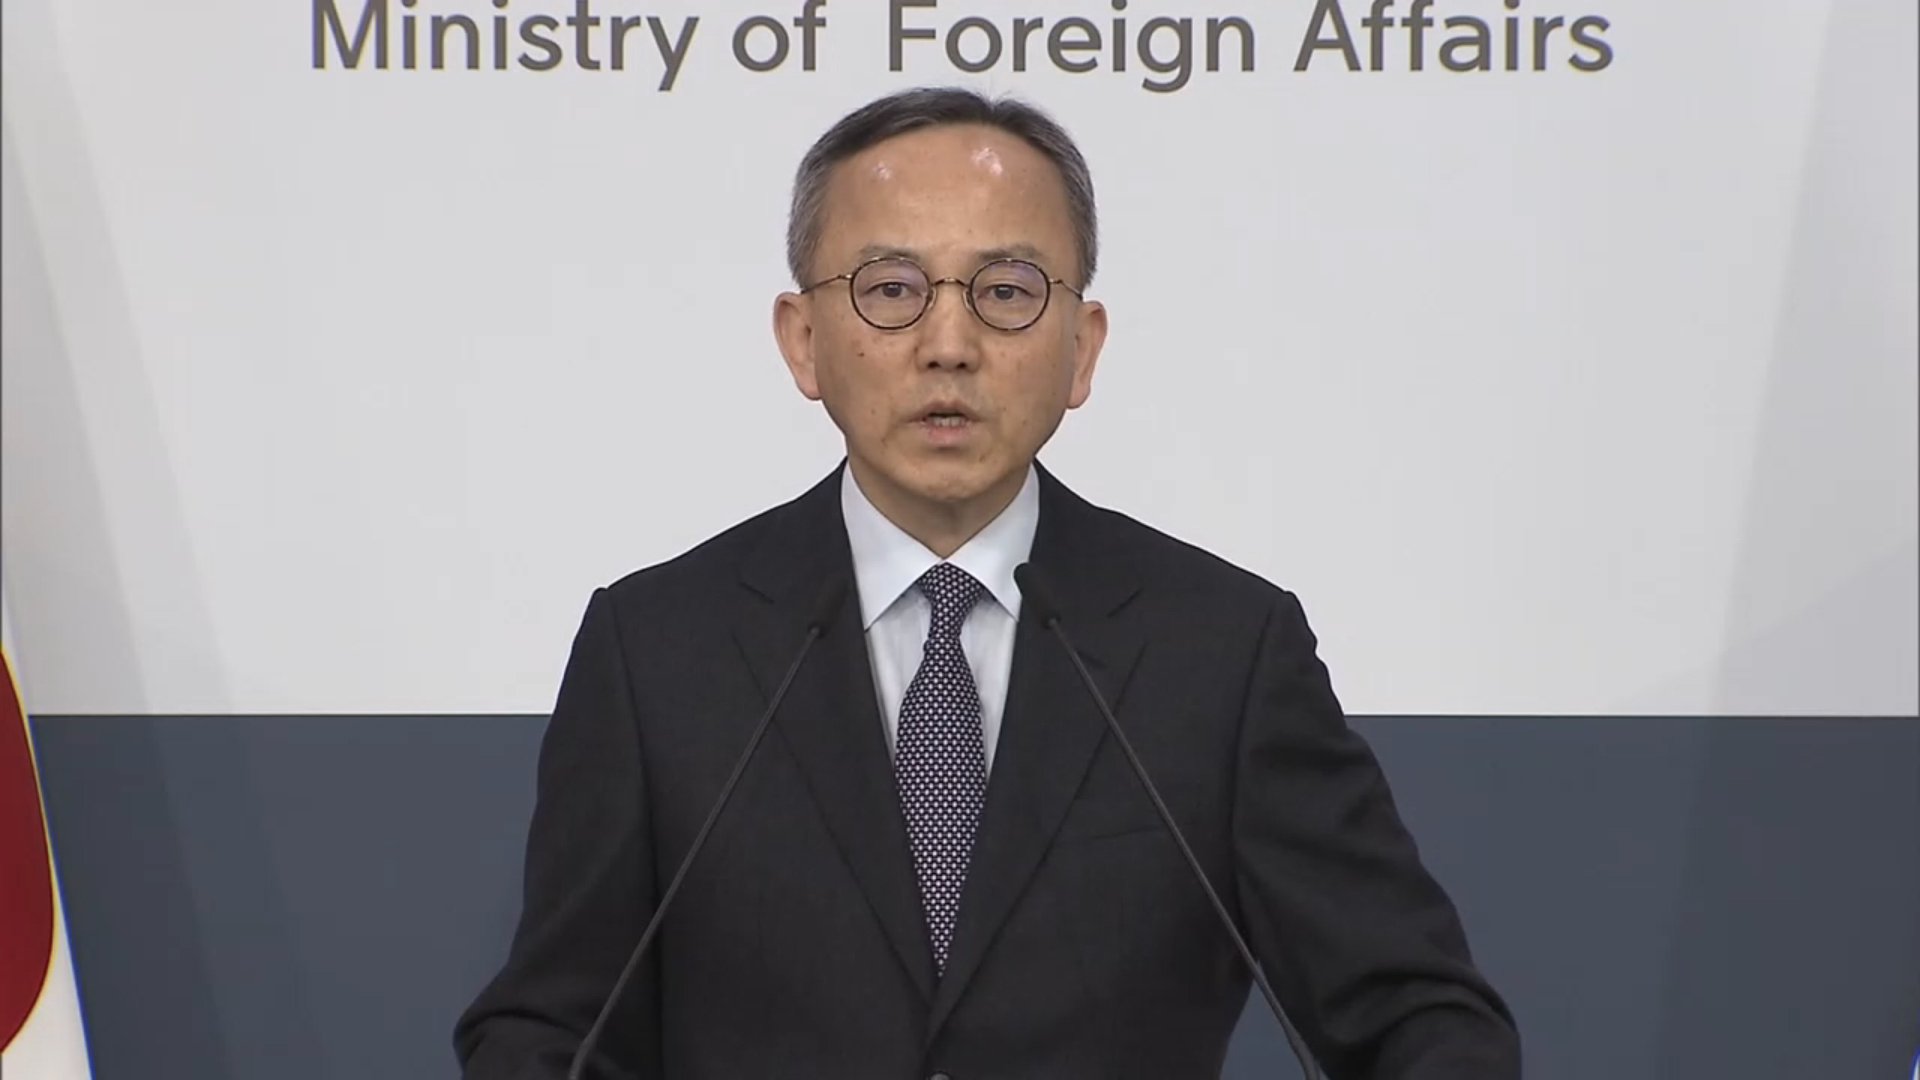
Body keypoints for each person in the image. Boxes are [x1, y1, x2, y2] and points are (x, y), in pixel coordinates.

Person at [453, 86, 1520, 1080]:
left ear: (1081, 349)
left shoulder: (1222, 653)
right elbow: (551, 1031)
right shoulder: (657, 651)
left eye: (1006, 291)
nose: (949, 344)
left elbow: (1422, 1021)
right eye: (891, 290)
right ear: (804, 341)